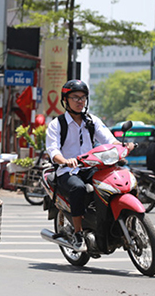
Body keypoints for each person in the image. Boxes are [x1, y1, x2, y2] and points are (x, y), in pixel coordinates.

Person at [46, 80, 134, 252]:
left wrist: (123, 146)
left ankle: (117, 222)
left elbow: (109, 140)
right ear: (66, 100)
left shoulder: (92, 121)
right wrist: (64, 160)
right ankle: (78, 232)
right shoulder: (57, 124)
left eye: (83, 97)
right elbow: (53, 150)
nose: (80, 101)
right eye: (75, 97)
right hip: (68, 170)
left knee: (116, 180)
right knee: (78, 188)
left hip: (91, 166)